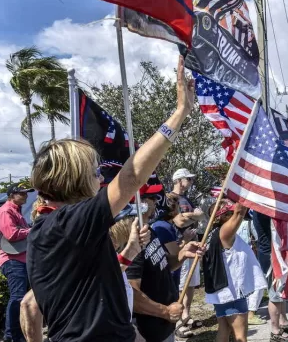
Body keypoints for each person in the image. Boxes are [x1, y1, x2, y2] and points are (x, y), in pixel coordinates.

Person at [27, 55, 199, 341]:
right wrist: (179, 113)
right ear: (73, 179)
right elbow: (132, 178)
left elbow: (88, 283)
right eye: (94, 171)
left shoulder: (53, 229)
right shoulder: (64, 224)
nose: (100, 178)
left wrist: (129, 251)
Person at [20, 205, 151, 342]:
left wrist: (132, 250)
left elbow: (106, 275)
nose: (141, 224)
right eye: (132, 219)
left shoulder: (106, 259)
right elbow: (28, 304)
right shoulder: (77, 261)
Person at [127, 188, 204, 342]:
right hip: (148, 332)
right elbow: (131, 295)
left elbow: (163, 264)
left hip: (165, 325)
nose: (156, 201)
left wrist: (182, 254)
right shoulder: (131, 242)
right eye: (150, 197)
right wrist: (165, 311)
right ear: (136, 202)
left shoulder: (148, 230)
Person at [203, 200, 267, 342]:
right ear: (224, 215)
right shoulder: (225, 232)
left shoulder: (214, 232)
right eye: (228, 205)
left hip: (221, 291)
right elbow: (240, 211)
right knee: (240, 336)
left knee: (224, 330)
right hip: (231, 293)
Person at [150, 192, 202, 339]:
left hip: (172, 273)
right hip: (169, 273)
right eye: (179, 206)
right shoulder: (163, 227)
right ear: (172, 209)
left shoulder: (167, 225)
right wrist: (186, 241)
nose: (181, 210)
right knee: (171, 301)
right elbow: (175, 254)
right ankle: (177, 327)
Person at [250, 210, 288, 342]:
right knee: (275, 294)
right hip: (271, 255)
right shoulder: (263, 209)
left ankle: (283, 322)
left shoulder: (263, 207)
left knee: (282, 292)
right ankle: (275, 331)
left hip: (275, 253)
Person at [0, 183, 34, 342]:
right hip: (12, 261)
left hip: (19, 259)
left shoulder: (15, 211)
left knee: (21, 298)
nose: (25, 196)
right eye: (21, 193)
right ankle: (11, 336)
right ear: (12, 195)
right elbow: (11, 234)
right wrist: (33, 230)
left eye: (26, 193)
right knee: (17, 298)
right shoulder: (6, 210)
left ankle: (16, 334)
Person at [170, 168, 206, 328]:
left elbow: (197, 217)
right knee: (181, 282)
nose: (191, 182)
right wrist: (195, 216)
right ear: (179, 180)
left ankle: (186, 314)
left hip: (193, 244)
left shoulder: (187, 199)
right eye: (188, 179)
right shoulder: (171, 198)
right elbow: (179, 221)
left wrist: (192, 216)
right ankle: (178, 318)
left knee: (191, 281)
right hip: (180, 245)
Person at [235, 212, 265, 326]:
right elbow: (259, 238)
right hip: (249, 256)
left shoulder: (229, 223)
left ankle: (243, 311)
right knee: (258, 283)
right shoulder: (250, 223)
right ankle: (250, 313)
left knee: (241, 284)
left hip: (233, 257)